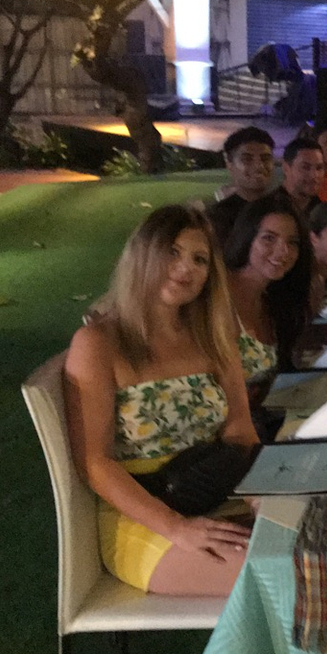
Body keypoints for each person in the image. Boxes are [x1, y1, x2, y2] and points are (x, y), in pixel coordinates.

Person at [63, 205, 257, 596]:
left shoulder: (214, 339)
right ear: (142, 255)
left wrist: (260, 497)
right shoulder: (99, 343)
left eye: (199, 259)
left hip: (214, 488)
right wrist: (176, 528)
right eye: (172, 251)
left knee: (317, 544)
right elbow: (95, 463)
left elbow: (240, 432)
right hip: (142, 514)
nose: (185, 267)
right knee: (276, 573)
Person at [223, 196, 308, 438]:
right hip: (225, 431)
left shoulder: (274, 302)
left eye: (292, 242)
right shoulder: (216, 295)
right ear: (247, 238)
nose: (283, 251)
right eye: (269, 238)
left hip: (262, 420)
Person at [208, 127, 276, 244]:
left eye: (265, 159)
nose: (259, 166)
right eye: (247, 159)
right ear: (230, 165)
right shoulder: (216, 218)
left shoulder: (283, 210)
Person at [279, 137, 326, 217]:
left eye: (319, 168)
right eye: (305, 167)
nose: (314, 175)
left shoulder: (322, 211)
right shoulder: (268, 211)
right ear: (286, 168)